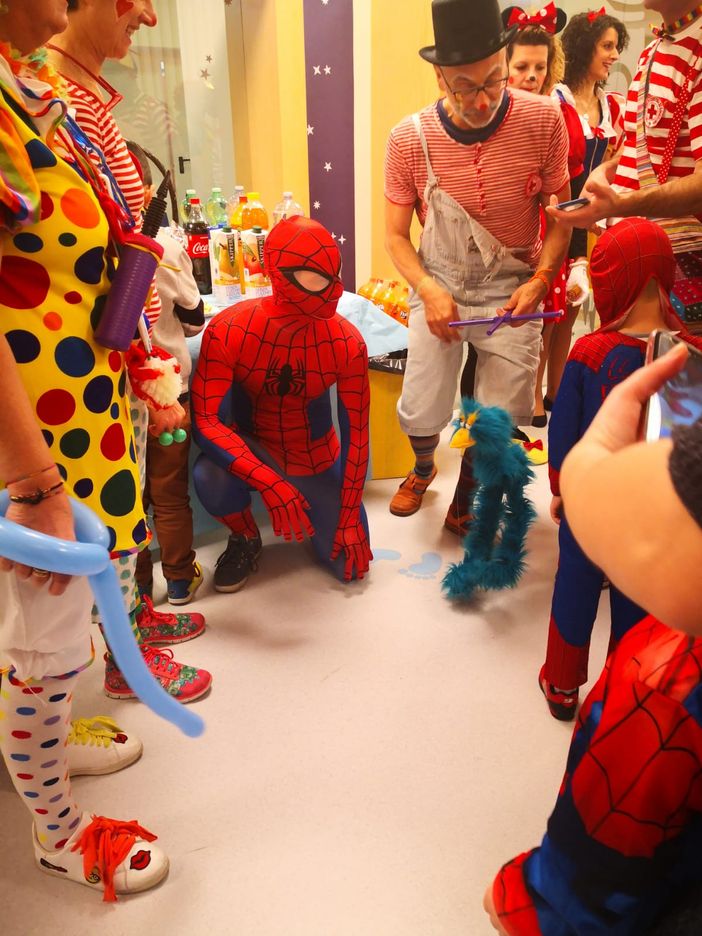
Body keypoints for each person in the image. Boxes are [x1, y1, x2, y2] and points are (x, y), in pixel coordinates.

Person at [0, 0, 170, 898]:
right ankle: (57, 832)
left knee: (52, 639)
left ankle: (52, 741)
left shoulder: (23, 89)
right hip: (30, 439)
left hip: (74, 414)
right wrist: (31, 482)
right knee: (44, 647)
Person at [485, 341, 702, 935]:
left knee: (579, 591)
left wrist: (574, 477)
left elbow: (593, 869)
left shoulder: (664, 683)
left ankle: (560, 685)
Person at [47, 0, 211, 699]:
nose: (148, 13)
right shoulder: (50, 102)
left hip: (118, 355)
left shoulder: (82, 98)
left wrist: (147, 363)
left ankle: (136, 622)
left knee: (132, 500)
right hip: (84, 362)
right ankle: (126, 658)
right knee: (111, 508)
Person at [384, 0, 571, 538]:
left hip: (513, 284)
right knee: (421, 407)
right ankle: (424, 468)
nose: (484, 99)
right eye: (466, 87)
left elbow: (561, 217)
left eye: (494, 79)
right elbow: (395, 236)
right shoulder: (409, 138)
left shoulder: (543, 119)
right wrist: (427, 287)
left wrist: (541, 281)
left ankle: (466, 490)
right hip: (438, 280)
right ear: (440, 76)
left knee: (499, 412)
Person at [541, 217, 702, 721]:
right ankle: (625, 689)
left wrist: (560, 488)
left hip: (588, 499)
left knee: (574, 587)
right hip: (654, 510)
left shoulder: (589, 351)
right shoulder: (690, 355)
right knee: (638, 603)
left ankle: (561, 685)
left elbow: (563, 429)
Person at [191, 216, 373, 589]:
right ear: (277, 275)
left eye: (335, 274)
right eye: (315, 279)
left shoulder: (346, 343)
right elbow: (206, 421)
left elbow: (358, 437)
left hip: (315, 457)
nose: (335, 290)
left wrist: (348, 515)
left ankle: (317, 513)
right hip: (253, 446)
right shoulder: (230, 329)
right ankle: (245, 536)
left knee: (353, 567)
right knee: (209, 475)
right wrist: (270, 483)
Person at [548, 0, 702, 333]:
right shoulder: (651, 53)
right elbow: (634, 150)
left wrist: (621, 204)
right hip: (627, 263)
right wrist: (603, 174)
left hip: (677, 270)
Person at [127, 141, 206, 606]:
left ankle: (137, 589)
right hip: (169, 393)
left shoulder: (102, 244)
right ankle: (178, 579)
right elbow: (194, 320)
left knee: (132, 498)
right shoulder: (168, 247)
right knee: (170, 494)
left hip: (119, 399)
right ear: (143, 188)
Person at [540, 9, 628, 418]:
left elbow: (614, 163)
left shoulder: (610, 106)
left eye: (616, 47)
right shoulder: (557, 99)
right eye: (607, 46)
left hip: (590, 220)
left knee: (573, 303)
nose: (614, 55)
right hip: (556, 216)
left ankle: (555, 392)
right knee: (548, 308)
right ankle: (531, 397)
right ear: (584, 47)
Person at [503, 4, 570, 428]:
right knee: (490, 337)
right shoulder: (491, 117)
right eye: (522, 67)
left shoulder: (556, 114)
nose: (532, 76)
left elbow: (561, 196)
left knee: (538, 323)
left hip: (547, 231)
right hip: (496, 243)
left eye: (540, 67)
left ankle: (527, 403)